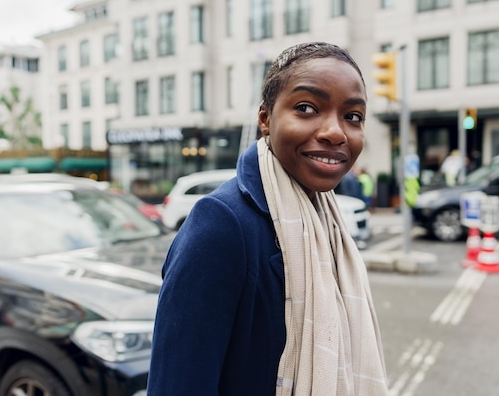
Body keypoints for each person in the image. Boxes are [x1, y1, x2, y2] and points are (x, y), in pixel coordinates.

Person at [148, 42, 388, 396]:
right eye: (307, 108)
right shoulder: (220, 224)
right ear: (265, 118)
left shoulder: (328, 221)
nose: (336, 132)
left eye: (352, 116)